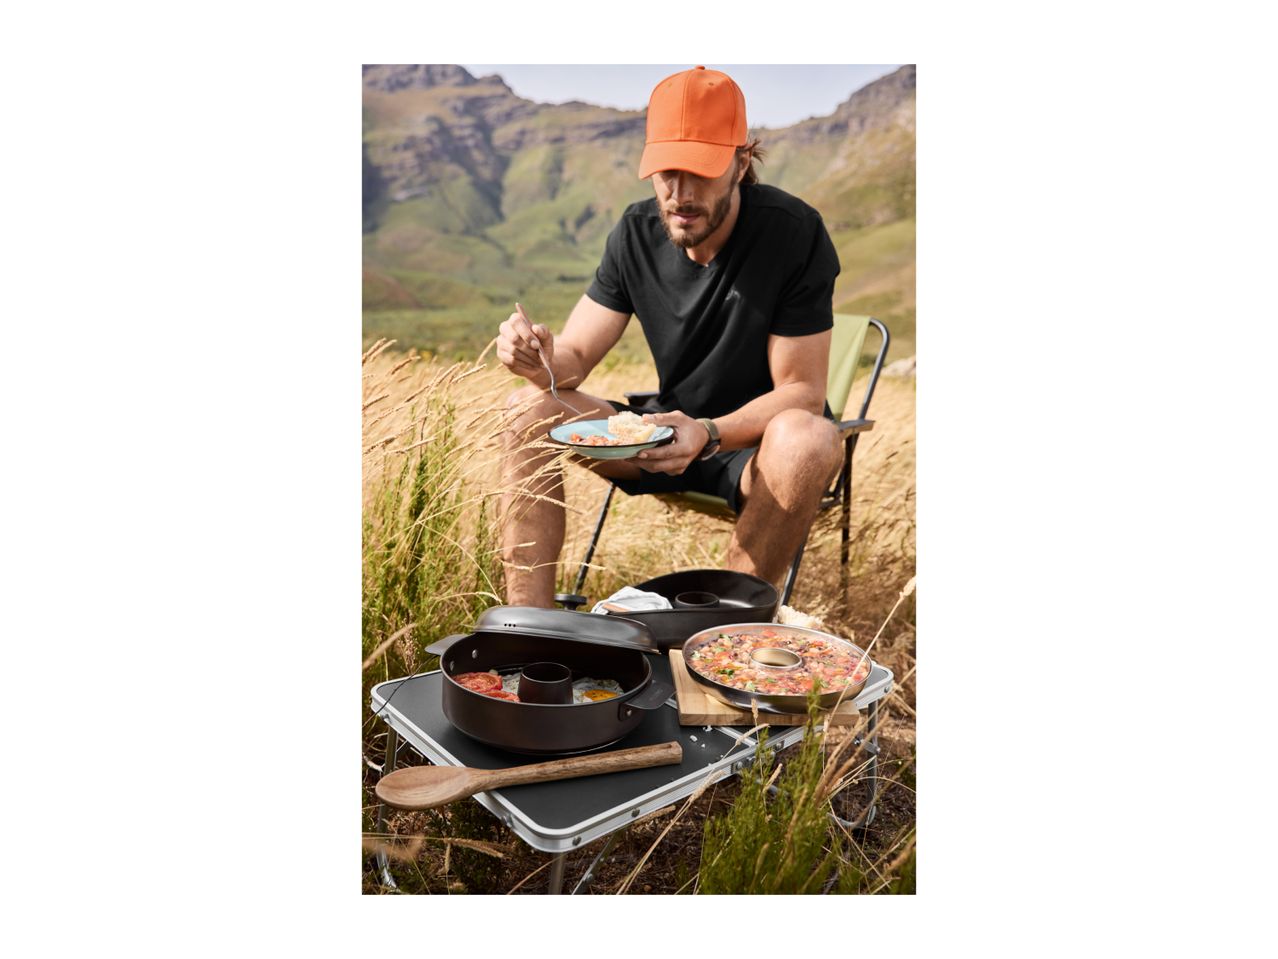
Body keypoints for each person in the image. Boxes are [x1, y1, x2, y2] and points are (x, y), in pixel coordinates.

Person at [496, 66, 844, 608]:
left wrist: (707, 432)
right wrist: (536, 358)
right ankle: (528, 629)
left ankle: (727, 631)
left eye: (700, 171)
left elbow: (802, 392)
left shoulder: (793, 233)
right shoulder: (635, 232)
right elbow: (577, 356)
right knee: (526, 408)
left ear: (741, 161)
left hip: (753, 450)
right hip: (656, 436)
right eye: (665, 173)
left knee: (810, 437)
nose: (679, 195)